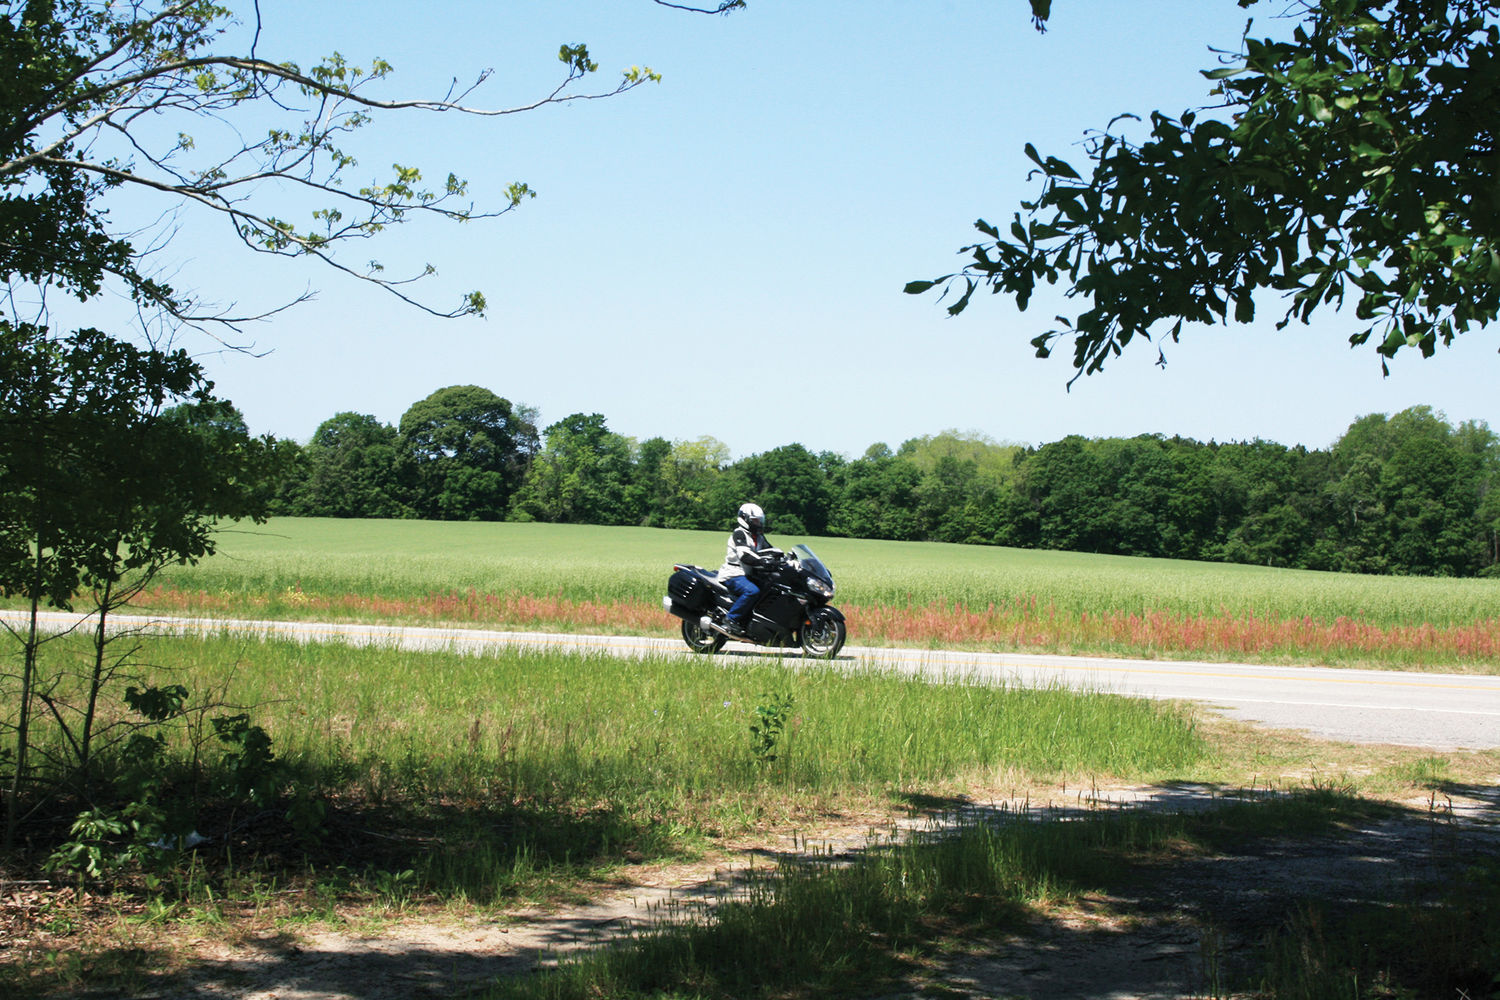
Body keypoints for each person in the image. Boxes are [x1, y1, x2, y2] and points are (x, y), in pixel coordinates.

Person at [710, 501, 778, 637]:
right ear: (745, 519)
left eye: (760, 520)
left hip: (748, 574)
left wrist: (785, 559)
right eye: (755, 521)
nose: (759, 523)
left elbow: (770, 550)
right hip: (734, 574)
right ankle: (731, 619)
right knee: (752, 591)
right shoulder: (739, 534)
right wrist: (762, 561)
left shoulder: (758, 537)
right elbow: (744, 555)